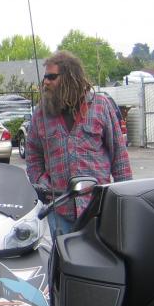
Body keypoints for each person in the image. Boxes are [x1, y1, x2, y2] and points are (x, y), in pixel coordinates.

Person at [26, 50, 132, 237]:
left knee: (98, 262)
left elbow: (119, 157)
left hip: (97, 210)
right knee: (62, 263)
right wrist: (41, 183)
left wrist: (127, 202)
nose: (45, 82)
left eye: (51, 77)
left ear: (70, 77)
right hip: (59, 209)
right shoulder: (41, 114)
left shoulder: (101, 105)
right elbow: (33, 154)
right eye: (45, 78)